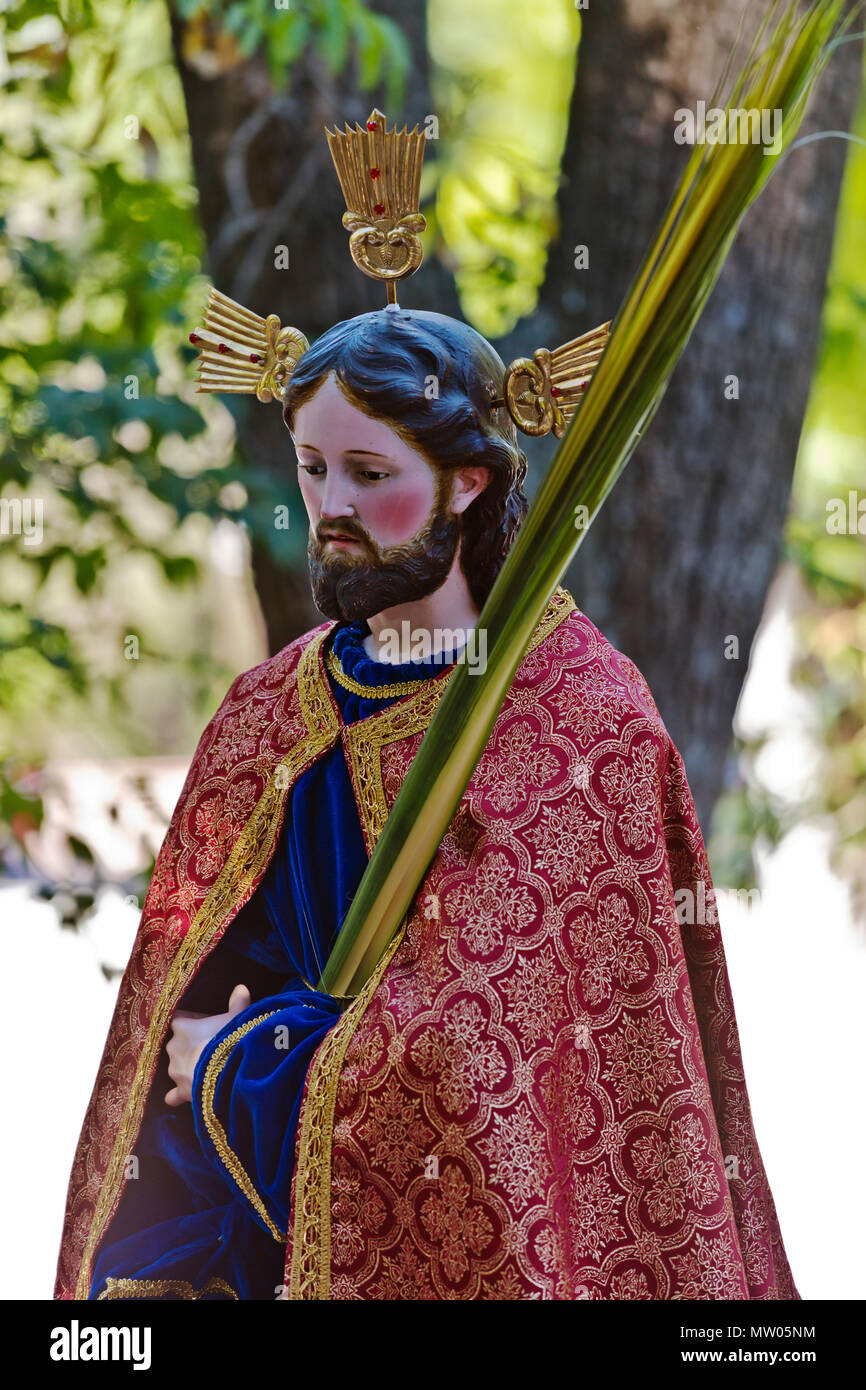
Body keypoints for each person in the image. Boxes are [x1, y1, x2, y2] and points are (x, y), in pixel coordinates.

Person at [55, 113, 798, 1302]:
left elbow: (483, 1069)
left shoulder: (577, 724)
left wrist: (253, 1058)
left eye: (367, 475)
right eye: (310, 467)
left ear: (468, 480)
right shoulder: (266, 716)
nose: (328, 509)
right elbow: (166, 1046)